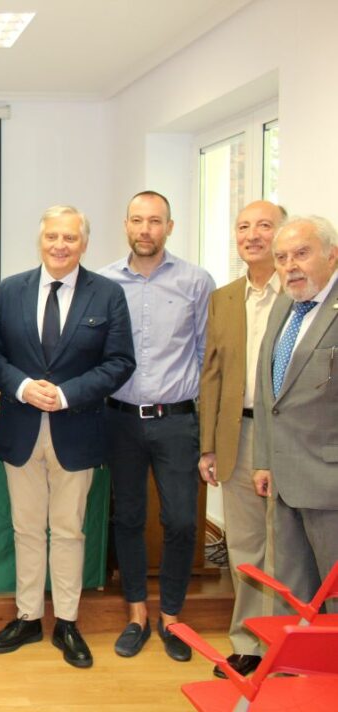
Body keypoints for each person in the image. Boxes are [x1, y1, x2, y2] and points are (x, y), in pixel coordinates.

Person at [0, 206, 135, 668]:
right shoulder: (11, 290)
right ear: (40, 239)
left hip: (77, 427)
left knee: (69, 530)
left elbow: (120, 362)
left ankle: (66, 622)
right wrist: (26, 387)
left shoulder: (107, 294)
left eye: (70, 237)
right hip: (21, 426)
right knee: (27, 528)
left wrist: (67, 394)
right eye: (52, 236)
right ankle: (28, 617)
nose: (60, 245)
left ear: (83, 243)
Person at [99, 190, 216, 662]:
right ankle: (136, 615)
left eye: (155, 221)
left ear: (170, 226)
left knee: (182, 521)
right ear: (125, 225)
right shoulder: (104, 282)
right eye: (137, 220)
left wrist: (208, 436)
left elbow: (210, 358)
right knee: (126, 519)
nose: (145, 229)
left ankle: (172, 615)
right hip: (120, 420)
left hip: (177, 421)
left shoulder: (197, 281)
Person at [197, 200, 285, 678]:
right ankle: (249, 641)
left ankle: (290, 643)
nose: (252, 235)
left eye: (265, 226)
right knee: (246, 547)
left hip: (290, 440)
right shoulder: (226, 297)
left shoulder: (300, 293)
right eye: (244, 227)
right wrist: (208, 445)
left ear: (284, 234)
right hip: (239, 434)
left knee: (289, 545)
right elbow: (211, 374)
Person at [252, 216, 338, 612]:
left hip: (330, 483)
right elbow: (272, 393)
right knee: (294, 595)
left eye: (302, 254)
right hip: (285, 482)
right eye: (282, 257)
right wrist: (264, 461)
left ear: (332, 255)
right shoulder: (285, 304)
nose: (290, 266)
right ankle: (299, 673)